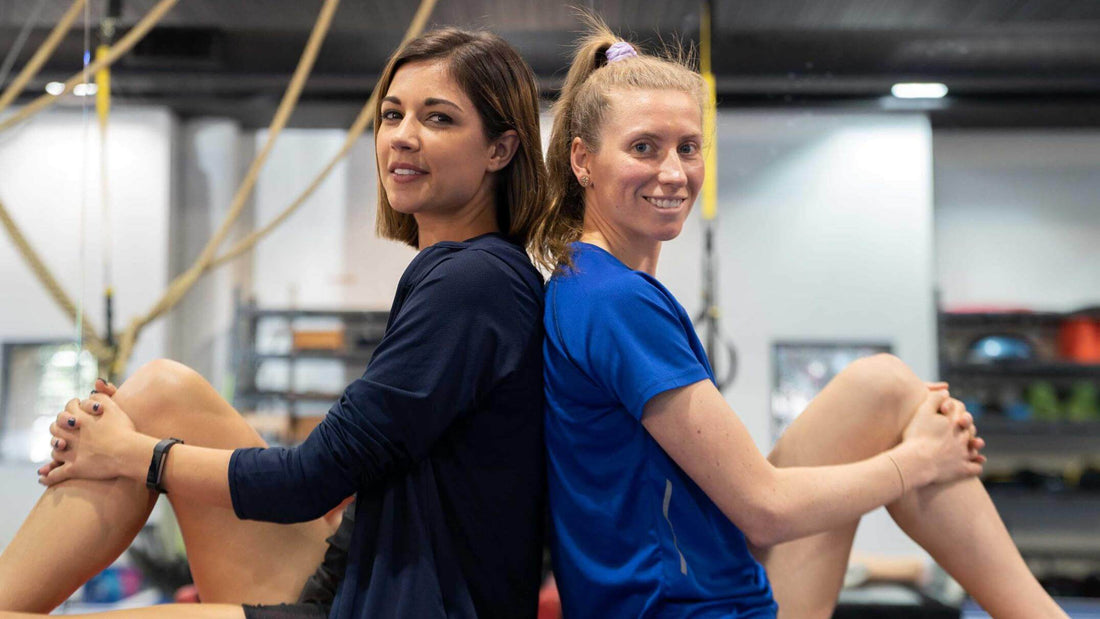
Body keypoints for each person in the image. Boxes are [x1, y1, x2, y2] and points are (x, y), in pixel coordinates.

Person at [1, 28, 548, 619]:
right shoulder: (457, 274)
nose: (403, 138)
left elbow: (308, 480)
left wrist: (135, 454)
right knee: (160, 390)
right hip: (354, 573)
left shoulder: (474, 284)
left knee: (129, 437)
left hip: (389, 606)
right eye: (392, 115)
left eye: (438, 119)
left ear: (501, 149)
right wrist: (119, 438)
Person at [531, 18, 1069, 619]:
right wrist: (920, 459)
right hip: (692, 611)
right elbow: (764, 511)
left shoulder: (590, 285)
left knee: (884, 386)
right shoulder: (615, 301)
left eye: (688, 146)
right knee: (904, 421)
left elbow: (746, 516)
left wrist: (921, 446)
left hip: (707, 587)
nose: (674, 172)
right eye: (643, 147)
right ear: (582, 160)